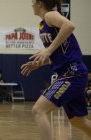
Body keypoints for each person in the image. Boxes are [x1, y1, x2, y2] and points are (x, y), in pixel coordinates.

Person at [20, 0, 91, 139]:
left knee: (39, 110)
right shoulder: (43, 26)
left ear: (40, 3)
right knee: (77, 120)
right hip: (69, 73)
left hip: (72, 73)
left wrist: (48, 50)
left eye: (33, 2)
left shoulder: (50, 15)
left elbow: (69, 25)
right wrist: (40, 63)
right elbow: (57, 54)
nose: (31, 5)